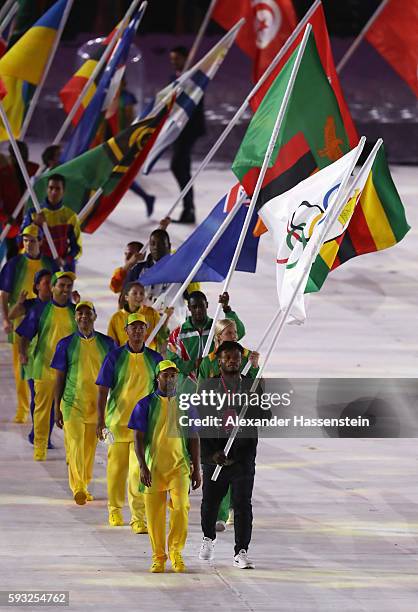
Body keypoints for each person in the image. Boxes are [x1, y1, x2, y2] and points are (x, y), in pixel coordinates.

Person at [197, 341, 270, 569]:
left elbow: (266, 418)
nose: (233, 361)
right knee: (210, 504)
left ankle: (241, 551)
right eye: (228, 357)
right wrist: (211, 455)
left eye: (237, 358)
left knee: (242, 505)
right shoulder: (208, 388)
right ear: (219, 361)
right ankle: (208, 538)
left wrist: (254, 404)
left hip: (242, 458)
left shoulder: (251, 386)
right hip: (216, 457)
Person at [129, 360, 201, 573]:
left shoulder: (186, 405)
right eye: (165, 375)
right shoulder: (144, 405)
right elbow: (138, 439)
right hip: (153, 468)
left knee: (181, 509)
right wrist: (142, 466)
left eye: (173, 375)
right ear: (157, 378)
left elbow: (194, 437)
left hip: (179, 468)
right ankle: (158, 556)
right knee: (155, 516)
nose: (169, 379)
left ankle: (176, 552)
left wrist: (197, 468)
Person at [96, 313, 163, 532]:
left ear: (146, 330)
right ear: (126, 331)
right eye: (132, 327)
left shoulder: (155, 360)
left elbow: (162, 392)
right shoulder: (114, 357)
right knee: (116, 471)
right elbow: (103, 389)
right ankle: (114, 509)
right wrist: (100, 421)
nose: (137, 331)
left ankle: (138, 518)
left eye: (141, 328)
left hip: (143, 428)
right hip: (116, 423)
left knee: (138, 473)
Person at [198, 318, 260, 532]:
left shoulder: (243, 357)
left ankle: (234, 509)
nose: (234, 336)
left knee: (237, 467)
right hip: (216, 425)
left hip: (240, 426)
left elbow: (255, 388)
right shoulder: (208, 362)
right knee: (217, 469)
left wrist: (254, 367)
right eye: (229, 333)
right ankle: (220, 515)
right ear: (218, 337)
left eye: (234, 333)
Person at [51, 301, 116, 505]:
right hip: (72, 403)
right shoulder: (65, 344)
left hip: (96, 406)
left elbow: (115, 375)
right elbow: (59, 377)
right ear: (75, 317)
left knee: (89, 449)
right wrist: (56, 407)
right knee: (75, 445)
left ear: (95, 317)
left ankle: (85, 484)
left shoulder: (108, 344)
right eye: (79, 313)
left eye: (88, 313)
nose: (84, 317)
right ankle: (78, 487)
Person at [16, 271, 77, 461]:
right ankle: (40, 447)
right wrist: (23, 353)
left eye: (69, 286)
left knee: (69, 413)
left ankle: (71, 452)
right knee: (42, 411)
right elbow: (25, 335)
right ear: (52, 287)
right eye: (61, 285)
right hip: (44, 368)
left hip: (69, 372)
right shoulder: (40, 310)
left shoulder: (76, 311)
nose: (65, 289)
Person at [0, 225, 56, 423]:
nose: (28, 244)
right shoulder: (14, 264)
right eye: (25, 240)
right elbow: (4, 294)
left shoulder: (50, 263)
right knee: (21, 367)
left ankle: (42, 405)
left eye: (32, 240)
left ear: (41, 241)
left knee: (43, 366)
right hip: (20, 322)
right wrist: (6, 319)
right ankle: (23, 408)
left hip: (47, 322)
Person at [8, 269, 55, 447]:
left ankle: (39, 434)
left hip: (53, 360)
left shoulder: (59, 306)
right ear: (37, 286)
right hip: (33, 359)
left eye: (52, 283)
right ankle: (40, 435)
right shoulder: (31, 305)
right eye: (46, 283)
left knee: (50, 402)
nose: (50, 287)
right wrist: (19, 304)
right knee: (39, 398)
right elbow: (12, 316)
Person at [167, 291, 245, 392]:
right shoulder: (178, 334)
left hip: (215, 387)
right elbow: (172, 361)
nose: (198, 310)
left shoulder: (217, 328)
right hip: (187, 389)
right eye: (194, 307)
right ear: (189, 308)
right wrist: (193, 364)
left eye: (201, 306)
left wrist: (226, 309)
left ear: (207, 305)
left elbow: (239, 332)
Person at [125, 227, 200, 327]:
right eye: (153, 244)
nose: (156, 247)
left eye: (161, 244)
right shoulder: (138, 270)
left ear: (168, 246)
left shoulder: (181, 271)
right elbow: (126, 299)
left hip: (174, 331)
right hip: (145, 331)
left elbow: (193, 296)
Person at [169, 46, 206, 224]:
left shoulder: (194, 77)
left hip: (189, 129)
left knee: (178, 166)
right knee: (181, 168)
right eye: (172, 59)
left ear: (185, 58)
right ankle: (188, 209)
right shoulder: (174, 78)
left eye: (177, 58)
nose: (174, 62)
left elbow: (195, 101)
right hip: (177, 129)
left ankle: (189, 209)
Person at [21, 173, 82, 272]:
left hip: (59, 268)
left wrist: (65, 261)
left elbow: (77, 248)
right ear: (47, 190)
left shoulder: (71, 216)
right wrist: (34, 224)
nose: (53, 192)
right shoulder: (34, 213)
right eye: (51, 188)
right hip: (36, 267)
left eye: (57, 188)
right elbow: (20, 240)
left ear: (63, 191)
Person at [107, 281, 172, 353]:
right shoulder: (116, 318)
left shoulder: (151, 313)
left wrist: (167, 318)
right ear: (126, 297)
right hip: (126, 360)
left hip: (148, 358)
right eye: (135, 293)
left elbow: (161, 337)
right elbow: (111, 345)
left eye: (142, 293)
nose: (139, 296)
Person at [0, 141, 39, 260]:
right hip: (12, 224)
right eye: (18, 152)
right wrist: (4, 217)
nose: (22, 155)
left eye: (24, 152)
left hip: (32, 223)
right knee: (13, 257)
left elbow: (49, 175)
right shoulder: (3, 174)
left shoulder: (35, 169)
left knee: (32, 257)